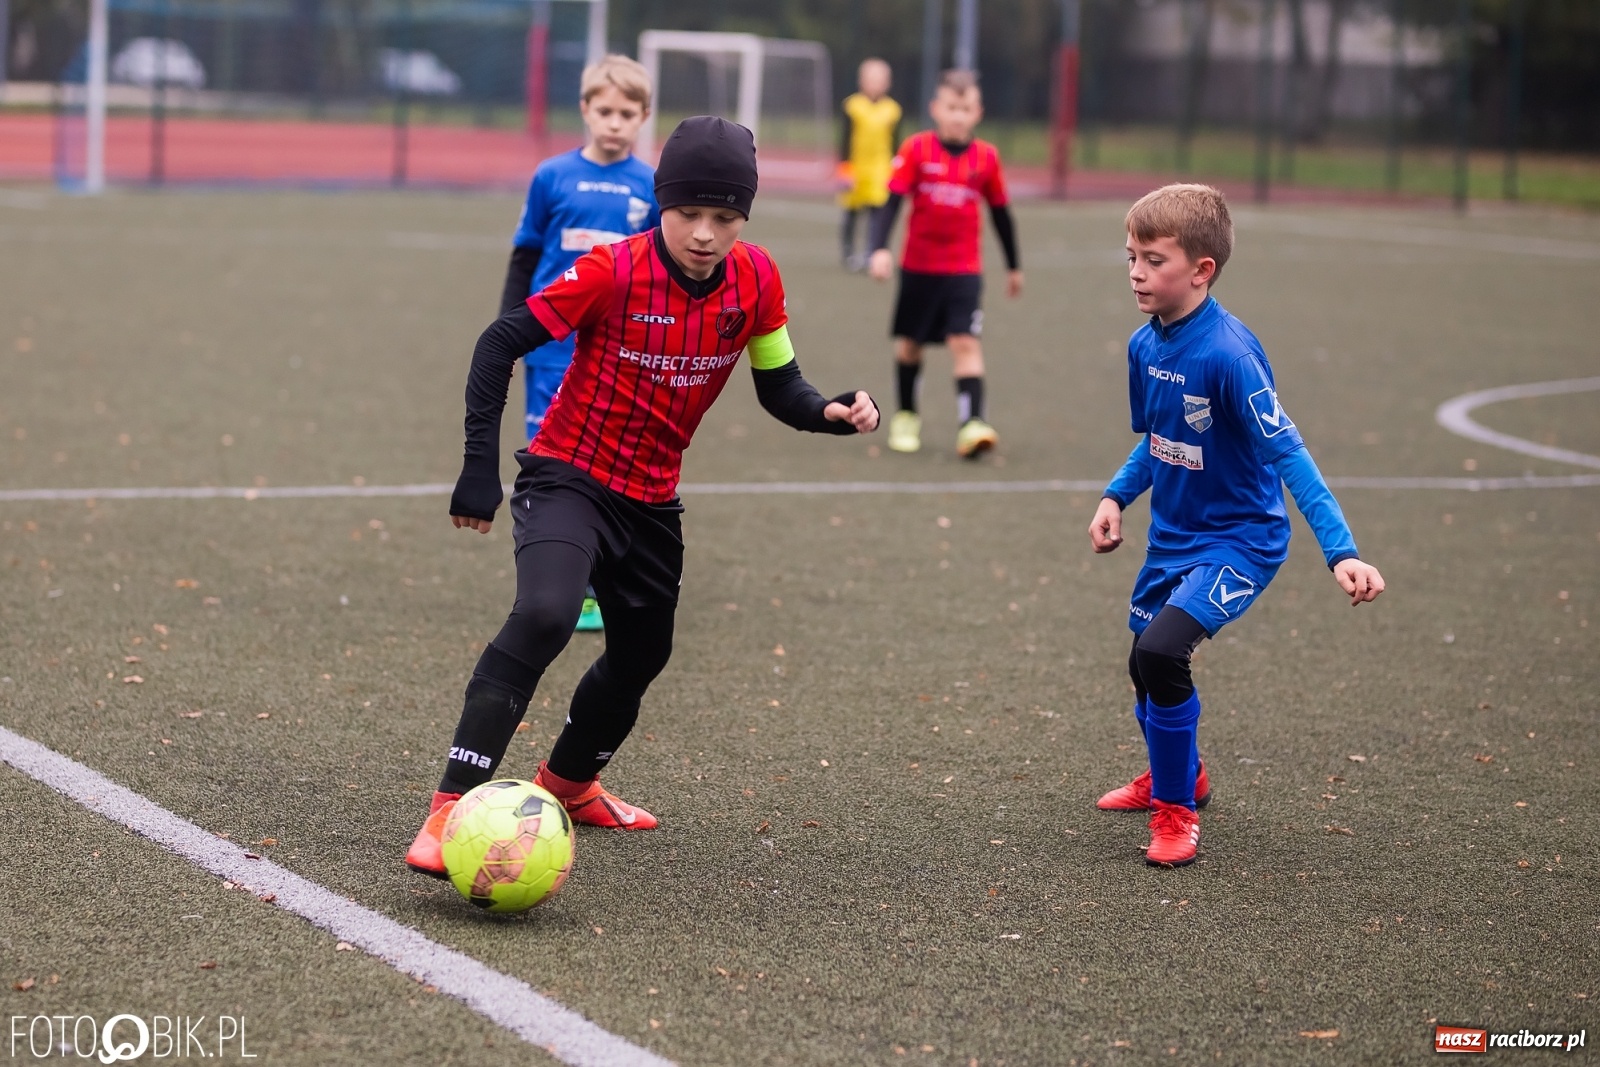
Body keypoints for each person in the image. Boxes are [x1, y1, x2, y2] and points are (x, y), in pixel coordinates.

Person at [406, 116, 881, 879]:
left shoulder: (758, 278)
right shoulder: (611, 270)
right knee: (545, 614)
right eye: (689, 213)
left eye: (724, 218)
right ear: (661, 204)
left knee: (642, 652)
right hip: (569, 475)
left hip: (652, 497)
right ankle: (447, 806)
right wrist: (477, 470)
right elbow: (500, 341)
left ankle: (569, 783)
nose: (704, 233)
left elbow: (780, 383)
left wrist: (828, 410)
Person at [1087, 183, 1385, 867]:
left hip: (1242, 541)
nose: (1135, 271)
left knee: (1163, 652)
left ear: (1201, 270)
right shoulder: (1143, 346)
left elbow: (1290, 453)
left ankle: (1176, 812)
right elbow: (1157, 440)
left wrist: (1341, 551)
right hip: (1173, 538)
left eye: (1152, 259)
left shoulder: (1229, 354)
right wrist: (1115, 497)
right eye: (1130, 256)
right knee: (1142, 660)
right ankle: (1181, 772)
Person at [500, 54, 660, 632]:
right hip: (550, 346)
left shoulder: (650, 187)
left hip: (619, 350)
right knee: (552, 461)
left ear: (643, 116)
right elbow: (525, 254)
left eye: (627, 113)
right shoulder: (551, 176)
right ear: (585, 111)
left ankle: (599, 581)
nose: (614, 122)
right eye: (604, 111)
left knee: (609, 463)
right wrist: (510, 327)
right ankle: (553, 570)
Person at [867, 68, 1021, 460]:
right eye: (951, 107)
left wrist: (1014, 266)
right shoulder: (917, 149)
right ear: (936, 108)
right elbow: (891, 202)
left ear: (978, 112)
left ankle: (972, 424)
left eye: (965, 108)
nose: (957, 116)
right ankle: (906, 415)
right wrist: (879, 248)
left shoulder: (987, 158)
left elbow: (1002, 213)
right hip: (918, 267)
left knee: (965, 342)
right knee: (911, 345)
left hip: (963, 269)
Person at [836, 58, 901, 271]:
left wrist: (897, 169)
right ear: (861, 81)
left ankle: (872, 252)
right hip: (857, 167)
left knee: (878, 213)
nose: (874, 84)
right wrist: (845, 168)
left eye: (879, 80)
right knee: (852, 211)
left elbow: (895, 143)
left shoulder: (893, 110)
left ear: (887, 83)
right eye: (870, 79)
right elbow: (845, 140)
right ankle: (849, 252)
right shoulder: (852, 106)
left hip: (881, 169)